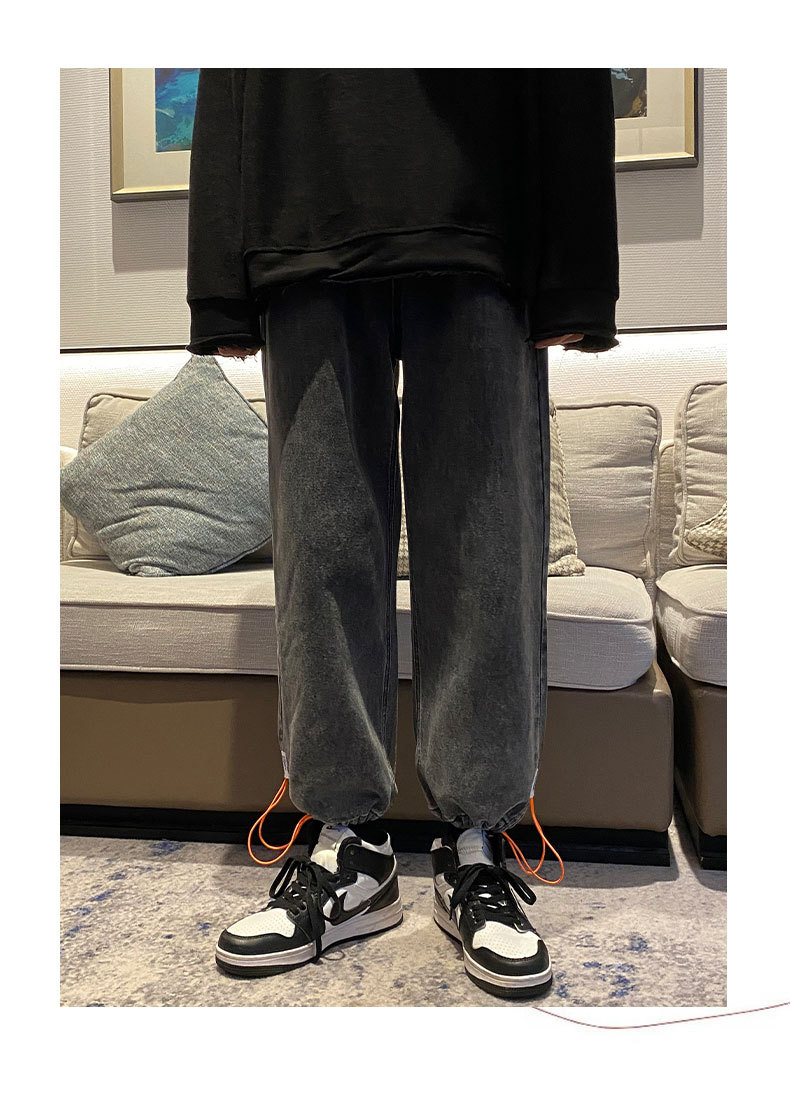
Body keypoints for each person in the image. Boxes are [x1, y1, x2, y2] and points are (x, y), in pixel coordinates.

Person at [186, 68, 619, 1000]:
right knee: (321, 557)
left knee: (486, 555)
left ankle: (476, 843)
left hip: (486, 209)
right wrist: (218, 283)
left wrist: (578, 270)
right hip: (302, 212)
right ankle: (351, 846)